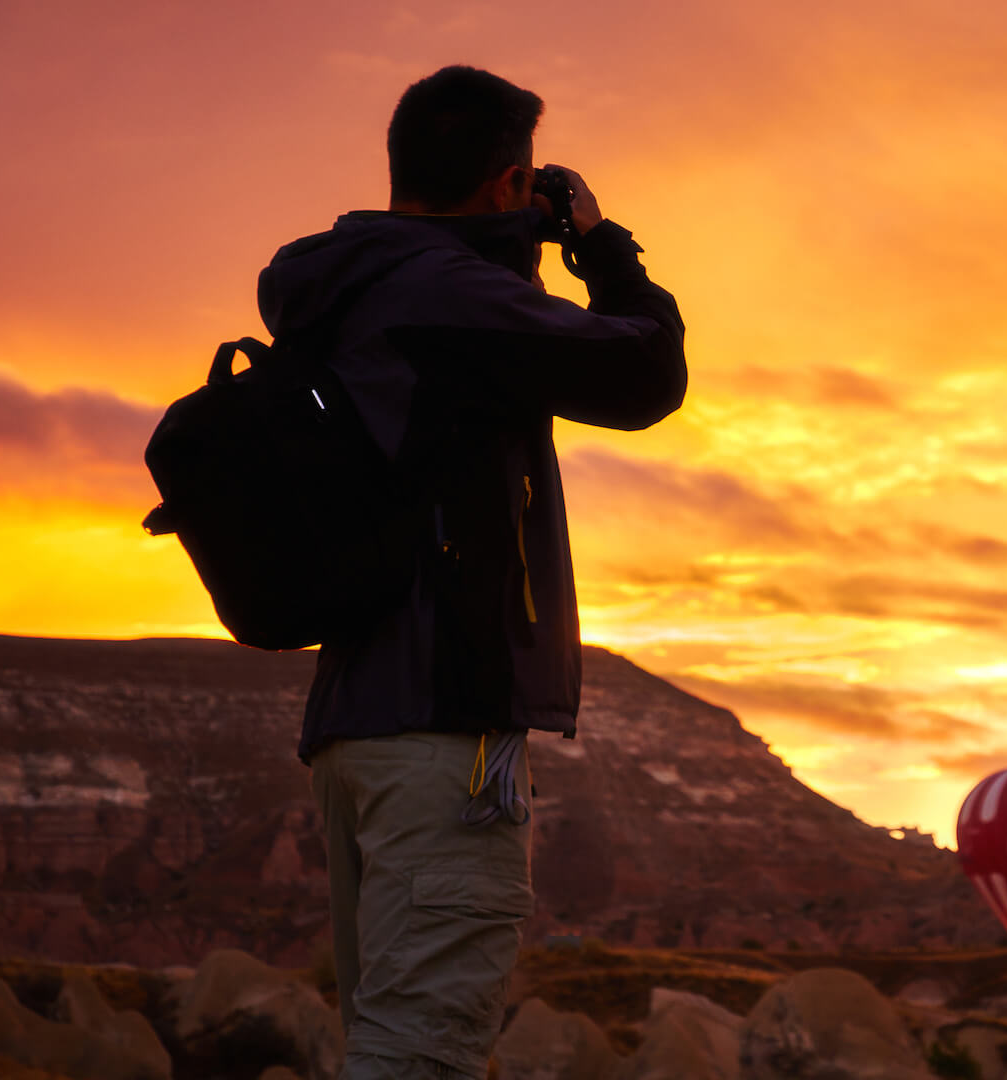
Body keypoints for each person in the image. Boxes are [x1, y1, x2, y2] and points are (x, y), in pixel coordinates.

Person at [255, 65, 686, 1077]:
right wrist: (598, 244)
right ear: (507, 183)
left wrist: (513, 246)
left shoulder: (352, 287)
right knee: (424, 1051)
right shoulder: (446, 297)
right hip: (443, 734)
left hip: (358, 723)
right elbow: (646, 374)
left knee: (385, 1038)